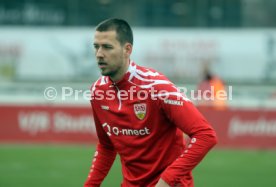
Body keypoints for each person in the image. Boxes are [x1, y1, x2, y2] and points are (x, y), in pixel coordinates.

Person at [84, 18, 217, 187]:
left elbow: (205, 135)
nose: (99, 54)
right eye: (96, 47)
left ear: (127, 50)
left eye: (107, 47)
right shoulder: (97, 91)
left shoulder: (156, 87)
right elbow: (106, 145)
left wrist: (166, 180)